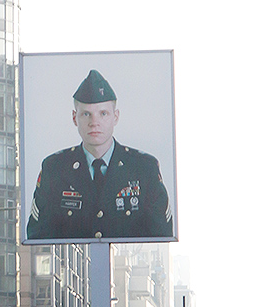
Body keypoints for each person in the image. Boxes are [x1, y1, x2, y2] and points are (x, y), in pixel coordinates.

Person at [26, 69, 173, 241]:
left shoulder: (144, 168)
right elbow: (38, 236)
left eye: (103, 114)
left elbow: (162, 235)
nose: (94, 122)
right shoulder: (55, 169)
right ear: (74, 118)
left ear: (115, 117)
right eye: (86, 114)